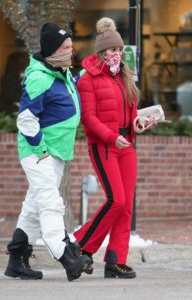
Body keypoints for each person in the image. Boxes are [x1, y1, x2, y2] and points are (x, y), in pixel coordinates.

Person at [4, 22, 91, 282]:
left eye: (72, 46)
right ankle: (66, 256)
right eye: (66, 47)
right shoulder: (40, 77)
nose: (71, 51)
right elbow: (26, 120)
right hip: (39, 152)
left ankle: (17, 260)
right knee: (51, 202)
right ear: (53, 50)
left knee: (33, 206)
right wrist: (41, 150)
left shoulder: (61, 73)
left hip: (55, 153)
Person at [73, 17, 139, 279]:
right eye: (113, 50)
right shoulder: (87, 79)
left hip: (127, 145)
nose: (117, 54)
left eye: (120, 50)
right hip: (105, 146)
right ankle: (82, 246)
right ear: (102, 52)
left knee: (126, 206)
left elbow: (131, 112)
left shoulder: (125, 76)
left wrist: (140, 123)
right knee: (116, 200)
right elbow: (88, 120)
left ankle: (115, 260)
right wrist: (112, 138)